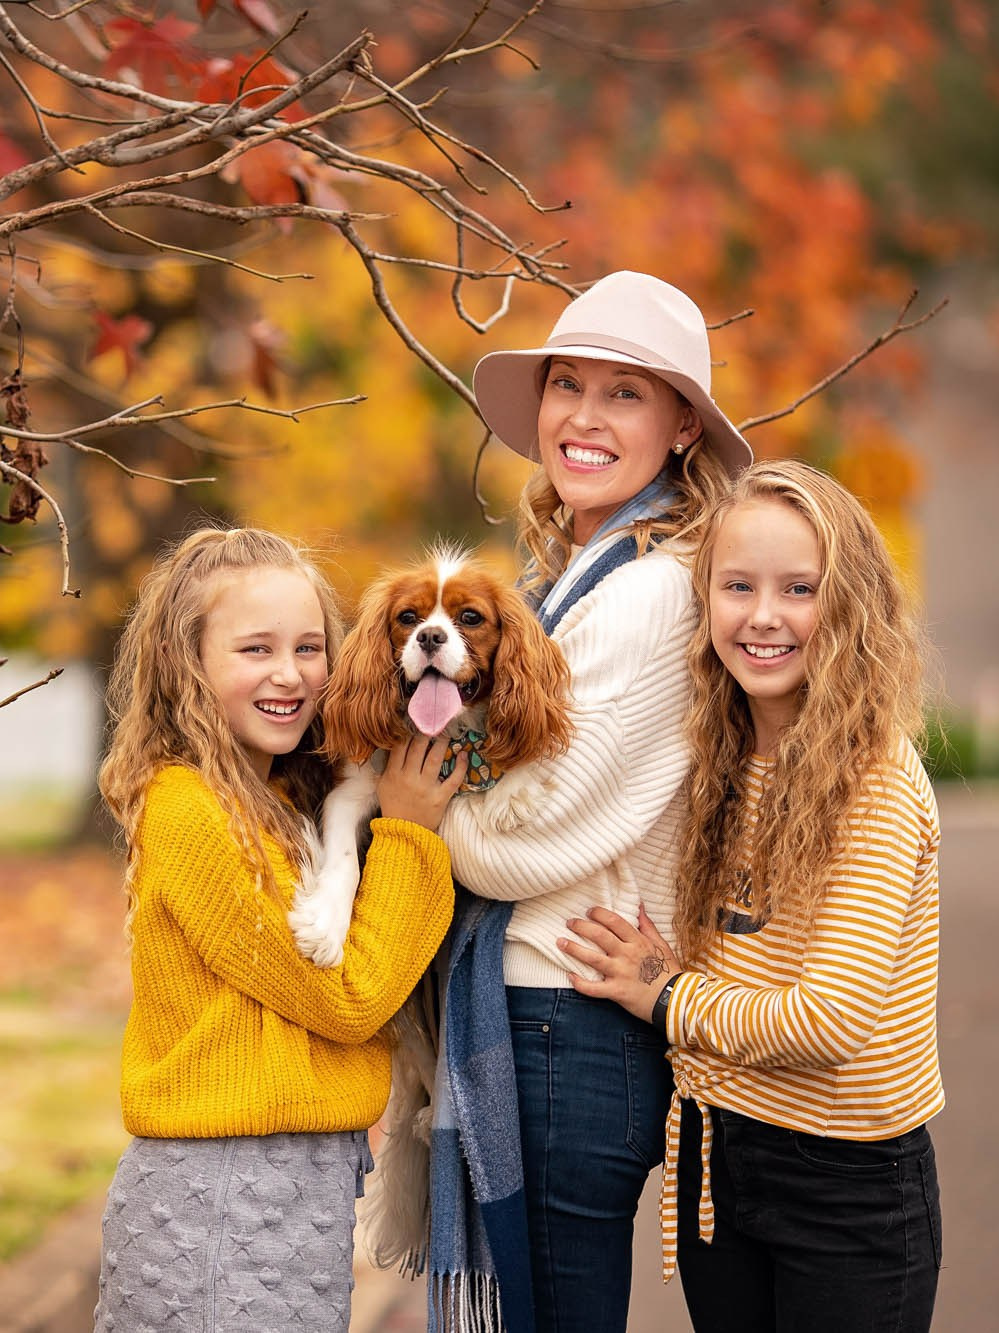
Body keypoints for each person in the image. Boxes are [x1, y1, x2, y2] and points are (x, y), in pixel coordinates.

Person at [364, 270, 754, 1333]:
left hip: (559, 1020)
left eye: (624, 394)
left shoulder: (647, 589)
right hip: (539, 1017)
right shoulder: (575, 574)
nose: (583, 416)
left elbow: (517, 842)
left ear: (681, 426)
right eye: (566, 384)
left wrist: (413, 811)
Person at [561, 460, 944, 1332]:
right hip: (717, 1161)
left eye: (799, 588)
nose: (763, 615)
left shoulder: (874, 780)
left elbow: (828, 1022)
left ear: (849, 606)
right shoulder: (716, 761)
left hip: (848, 1190)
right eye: (738, 586)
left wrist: (667, 997)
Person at [93, 525, 463, 1333]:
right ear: (186, 665)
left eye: (308, 647)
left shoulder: (287, 805)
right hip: (220, 1197)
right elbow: (350, 997)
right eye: (255, 649)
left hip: (301, 1186)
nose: (290, 674)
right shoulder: (188, 809)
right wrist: (411, 833)